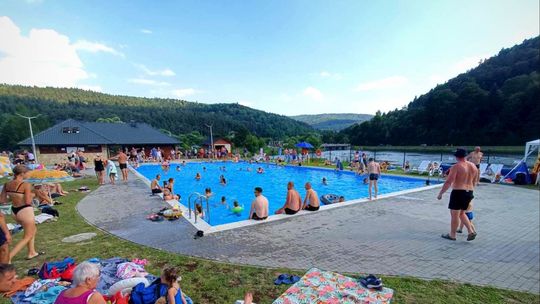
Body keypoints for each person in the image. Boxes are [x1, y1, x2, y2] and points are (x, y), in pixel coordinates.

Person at [0, 165, 41, 261]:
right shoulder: (26, 185)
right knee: (27, 236)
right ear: (22, 174)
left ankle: (31, 252)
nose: (28, 175)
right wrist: (34, 194)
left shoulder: (7, 184)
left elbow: (2, 200)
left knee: (33, 230)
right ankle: (8, 258)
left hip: (14, 211)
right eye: (27, 173)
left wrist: (14, 196)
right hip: (25, 210)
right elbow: (27, 201)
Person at [437, 148, 478, 241]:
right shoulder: (473, 166)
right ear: (466, 155)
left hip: (459, 192)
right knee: (462, 213)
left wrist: (440, 193)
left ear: (456, 156)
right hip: (469, 191)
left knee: (454, 215)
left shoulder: (456, 166)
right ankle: (471, 231)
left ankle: (452, 235)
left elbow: (448, 182)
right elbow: (474, 181)